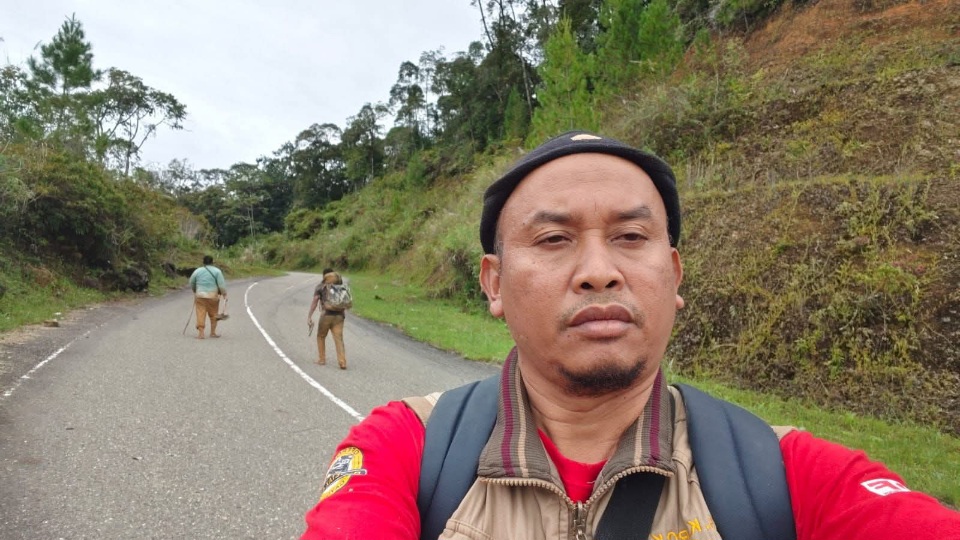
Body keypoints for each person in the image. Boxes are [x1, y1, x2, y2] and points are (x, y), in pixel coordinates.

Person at [299, 131, 960, 539]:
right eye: (554, 240)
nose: (597, 272)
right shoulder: (405, 450)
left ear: (671, 274)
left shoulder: (785, 475)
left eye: (632, 237)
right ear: (493, 283)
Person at [307, 268, 348, 369]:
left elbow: (315, 301)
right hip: (339, 316)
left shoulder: (321, 287)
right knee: (339, 339)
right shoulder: (341, 287)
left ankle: (322, 359)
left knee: (321, 336)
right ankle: (342, 362)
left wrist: (309, 316)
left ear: (324, 276)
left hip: (326, 315)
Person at [187, 255, 227, 339]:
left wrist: (195, 290)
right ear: (212, 262)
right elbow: (221, 285)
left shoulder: (197, 271)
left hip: (200, 296)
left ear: (203, 262)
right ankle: (213, 333)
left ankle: (201, 333)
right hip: (213, 296)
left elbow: (191, 282)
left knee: (200, 313)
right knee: (213, 314)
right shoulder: (217, 271)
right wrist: (224, 294)